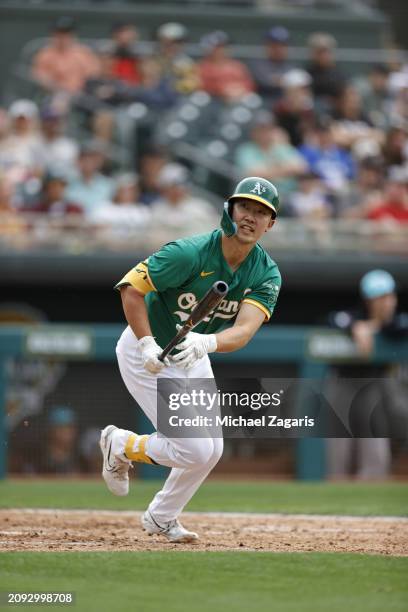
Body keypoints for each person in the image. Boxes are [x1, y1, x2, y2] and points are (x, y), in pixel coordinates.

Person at [99, 176, 282, 542]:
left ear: (271, 223)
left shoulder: (266, 272)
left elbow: (244, 331)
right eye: (245, 207)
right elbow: (131, 289)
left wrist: (208, 343)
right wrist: (147, 342)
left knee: (212, 449)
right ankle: (120, 444)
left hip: (192, 350)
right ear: (229, 210)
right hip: (145, 350)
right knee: (194, 448)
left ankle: (161, 517)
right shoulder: (189, 252)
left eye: (262, 212)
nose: (251, 217)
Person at [327, 269, 408, 479]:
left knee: (374, 436)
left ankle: (373, 481)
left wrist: (371, 327)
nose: (388, 302)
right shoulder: (354, 315)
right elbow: (335, 319)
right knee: (339, 438)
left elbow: (399, 327)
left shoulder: (398, 320)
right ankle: (337, 483)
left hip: (375, 383)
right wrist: (355, 327)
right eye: (381, 298)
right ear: (369, 300)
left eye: (390, 296)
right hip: (344, 381)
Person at [32, 16, 100, 96]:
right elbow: (41, 77)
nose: (62, 37)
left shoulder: (84, 52)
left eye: (66, 33)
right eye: (59, 32)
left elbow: (94, 75)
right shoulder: (45, 54)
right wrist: (60, 89)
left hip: (83, 95)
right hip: (55, 94)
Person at [198, 31, 255, 102]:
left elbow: (249, 84)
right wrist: (223, 89)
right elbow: (201, 85)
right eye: (218, 47)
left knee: (252, 99)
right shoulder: (202, 66)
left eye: (225, 46)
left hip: (237, 98)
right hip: (213, 101)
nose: (222, 50)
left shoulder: (238, 66)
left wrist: (238, 90)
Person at [249, 26, 293, 102]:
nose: (278, 49)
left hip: (287, 106)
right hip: (263, 104)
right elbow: (266, 82)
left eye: (282, 45)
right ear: (267, 46)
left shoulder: (292, 67)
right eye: (274, 45)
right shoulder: (257, 65)